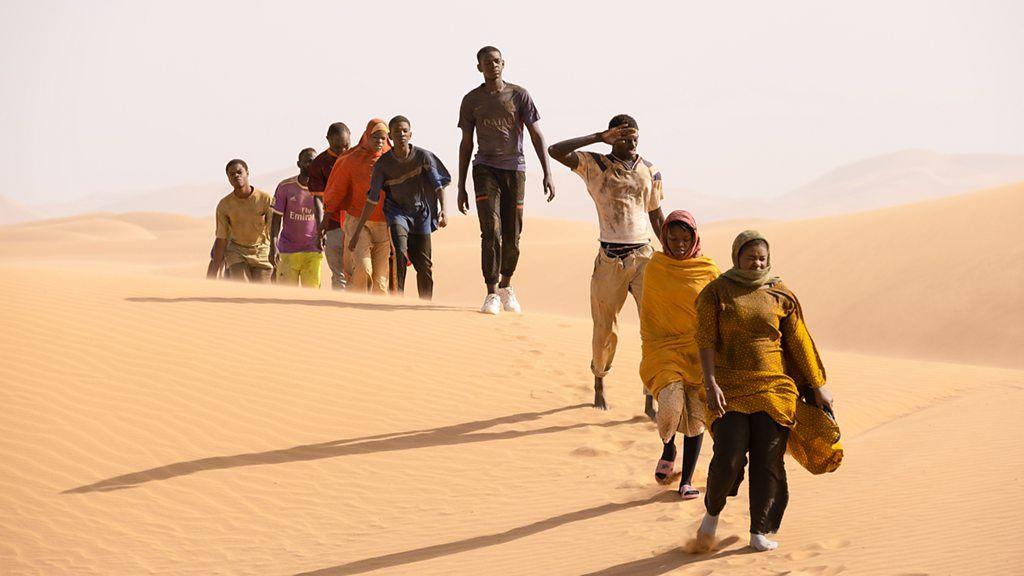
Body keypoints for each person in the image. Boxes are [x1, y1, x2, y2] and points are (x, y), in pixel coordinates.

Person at [694, 230, 835, 552]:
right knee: (729, 456)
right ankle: (712, 513)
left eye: (762, 258)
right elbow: (704, 339)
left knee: (768, 460)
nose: (757, 263)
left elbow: (799, 343)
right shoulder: (716, 292)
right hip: (729, 386)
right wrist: (710, 382)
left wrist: (817, 386)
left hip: (773, 388)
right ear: (736, 258)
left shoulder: (780, 294)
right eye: (750, 257)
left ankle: (760, 529)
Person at [548, 114, 665, 419]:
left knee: (652, 329)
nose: (631, 141)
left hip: (644, 257)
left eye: (634, 135)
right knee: (604, 330)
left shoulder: (650, 170)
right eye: (624, 136)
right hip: (610, 259)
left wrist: (675, 251)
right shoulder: (595, 165)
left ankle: (649, 397)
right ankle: (599, 379)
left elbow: (656, 214)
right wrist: (599, 136)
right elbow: (555, 151)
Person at [457, 45, 555, 314]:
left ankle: (506, 285)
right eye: (487, 62)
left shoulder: (519, 95)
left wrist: (547, 172)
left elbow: (536, 135)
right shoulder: (471, 100)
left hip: (515, 169)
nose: (493, 65)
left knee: (513, 233)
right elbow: (466, 144)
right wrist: (460, 185)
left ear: (504, 63)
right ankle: (491, 293)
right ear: (479, 67)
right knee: (491, 230)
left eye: (497, 61)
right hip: (484, 168)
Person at [639, 211, 719, 499]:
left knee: (696, 419)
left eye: (686, 239)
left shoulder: (707, 268)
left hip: (699, 353)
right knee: (671, 406)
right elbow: (650, 315)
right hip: (662, 350)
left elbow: (721, 303)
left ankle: (686, 481)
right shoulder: (656, 267)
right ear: (664, 238)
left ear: (695, 238)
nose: (679, 244)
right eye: (673, 239)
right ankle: (668, 445)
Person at [348, 115, 449, 300]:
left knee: (424, 265)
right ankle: (399, 297)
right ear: (390, 138)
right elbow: (372, 200)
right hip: (397, 213)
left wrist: (444, 211)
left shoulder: (423, 156)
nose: (401, 134)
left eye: (404, 131)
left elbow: (438, 186)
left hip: (421, 215)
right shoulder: (383, 164)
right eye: (396, 131)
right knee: (400, 252)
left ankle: (425, 303)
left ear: (410, 134)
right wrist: (356, 232)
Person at [326, 119, 391, 294]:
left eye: (383, 138)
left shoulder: (392, 159)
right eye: (375, 137)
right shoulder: (351, 159)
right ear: (366, 136)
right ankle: (355, 308)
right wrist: (325, 219)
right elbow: (337, 189)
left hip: (384, 225)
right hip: (357, 222)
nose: (379, 141)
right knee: (363, 270)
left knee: (380, 281)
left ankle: (375, 317)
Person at [207, 159, 274, 282]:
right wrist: (213, 272)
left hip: (261, 252)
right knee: (243, 287)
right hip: (236, 253)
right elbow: (221, 238)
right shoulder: (224, 205)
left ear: (247, 173)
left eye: (239, 172)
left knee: (262, 292)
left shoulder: (265, 199)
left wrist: (276, 255)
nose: (236, 176)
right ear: (228, 177)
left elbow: (273, 231)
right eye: (231, 174)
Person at [271, 147, 323, 288]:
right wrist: (273, 246)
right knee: (284, 296)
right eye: (308, 162)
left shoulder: (322, 188)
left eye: (314, 162)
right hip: (287, 250)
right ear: (299, 164)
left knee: (312, 297)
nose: (311, 165)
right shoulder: (285, 187)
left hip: (313, 250)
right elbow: (276, 219)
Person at [310, 122, 351, 290]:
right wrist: (321, 226)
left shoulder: (357, 158)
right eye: (337, 146)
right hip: (333, 224)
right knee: (339, 274)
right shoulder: (320, 163)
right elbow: (318, 199)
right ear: (327, 140)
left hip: (356, 223)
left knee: (358, 272)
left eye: (346, 146)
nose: (342, 151)